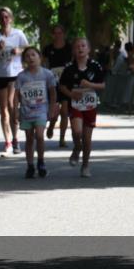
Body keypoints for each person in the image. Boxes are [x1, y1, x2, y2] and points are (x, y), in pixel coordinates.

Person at [59, 37, 106, 178]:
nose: (80, 48)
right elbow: (61, 87)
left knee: (87, 138)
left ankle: (85, 165)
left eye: (83, 46)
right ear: (73, 50)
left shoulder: (95, 66)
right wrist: (71, 94)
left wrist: (90, 85)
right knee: (77, 132)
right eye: (77, 46)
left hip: (90, 105)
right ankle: (77, 147)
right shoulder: (68, 68)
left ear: (88, 49)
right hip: (76, 105)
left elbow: (103, 85)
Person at [0, 7, 28, 157]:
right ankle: (8, 142)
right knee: (4, 110)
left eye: (6, 17)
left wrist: (19, 51)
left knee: (12, 106)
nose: (4, 20)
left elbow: (28, 50)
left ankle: (16, 139)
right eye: (1, 17)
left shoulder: (19, 34)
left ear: (11, 18)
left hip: (15, 74)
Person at [15, 46, 58, 179]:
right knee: (29, 138)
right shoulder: (21, 76)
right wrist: (15, 110)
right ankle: (30, 165)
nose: (31, 58)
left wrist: (52, 107)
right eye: (27, 56)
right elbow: (16, 95)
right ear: (24, 60)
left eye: (34, 55)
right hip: (26, 111)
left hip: (41, 110)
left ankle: (41, 161)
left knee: (39, 136)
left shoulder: (47, 74)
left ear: (40, 58)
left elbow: (52, 92)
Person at [42, 24, 73, 148]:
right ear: (52, 35)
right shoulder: (48, 48)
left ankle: (62, 138)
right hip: (52, 83)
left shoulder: (69, 48)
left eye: (60, 33)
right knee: (54, 112)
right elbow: (42, 61)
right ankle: (51, 126)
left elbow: (75, 60)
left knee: (64, 112)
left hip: (66, 82)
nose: (58, 35)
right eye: (55, 33)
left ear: (64, 34)